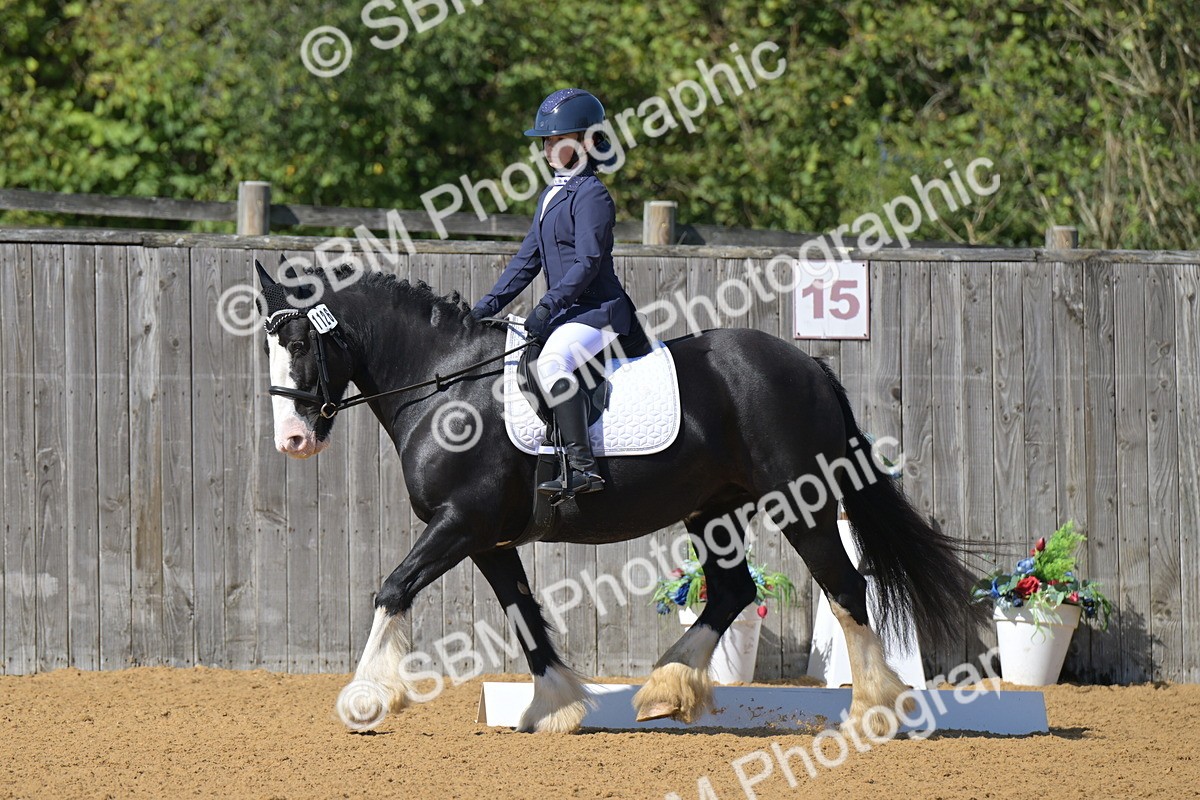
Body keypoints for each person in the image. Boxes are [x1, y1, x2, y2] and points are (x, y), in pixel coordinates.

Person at [470, 88, 637, 496]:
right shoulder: (551, 194)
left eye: (554, 140)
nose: (545, 150)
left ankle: (582, 466)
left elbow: (587, 262)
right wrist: (481, 309)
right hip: (569, 312)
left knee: (554, 362)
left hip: (599, 310)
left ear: (584, 141)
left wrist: (547, 306)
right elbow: (526, 262)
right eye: (544, 141)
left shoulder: (592, 194)